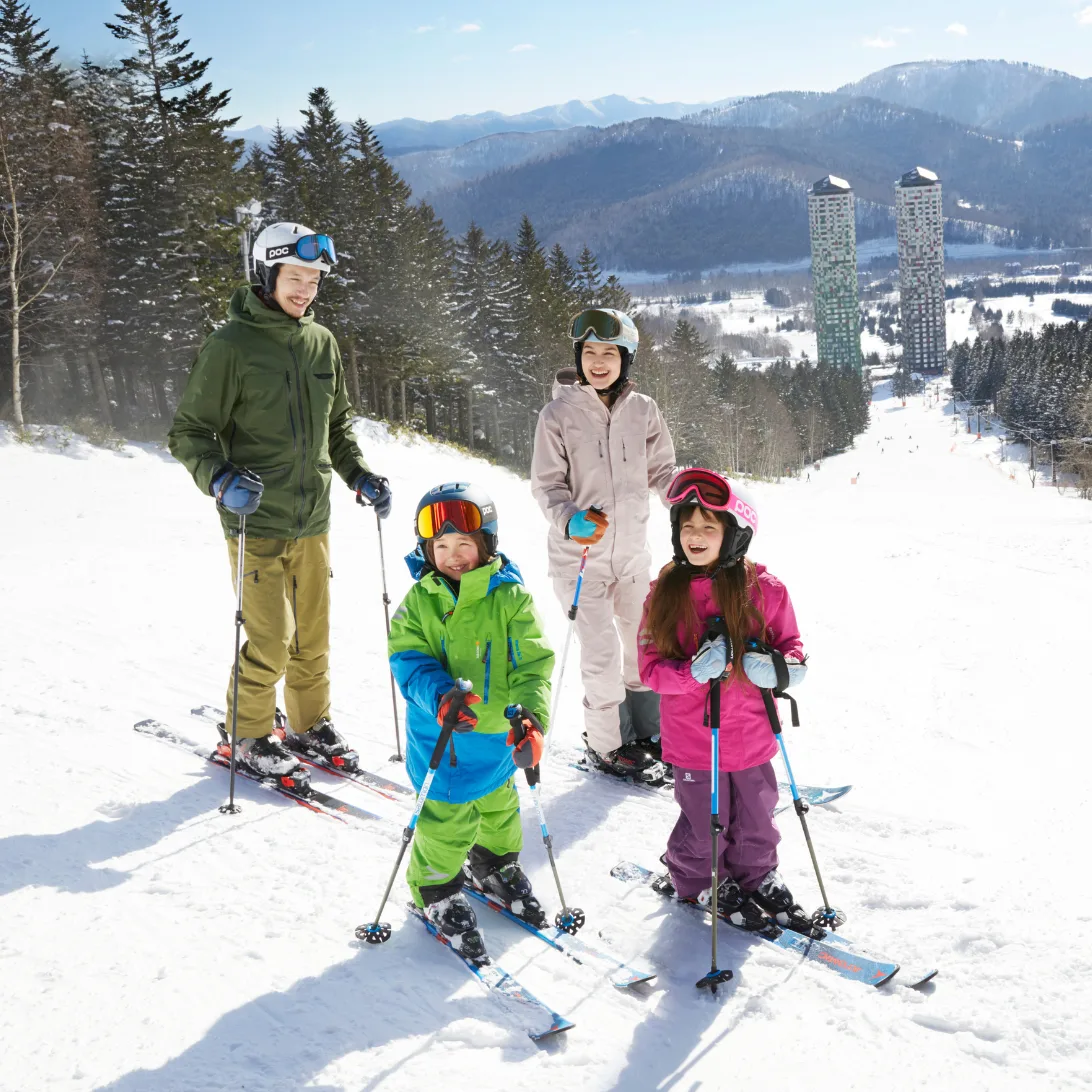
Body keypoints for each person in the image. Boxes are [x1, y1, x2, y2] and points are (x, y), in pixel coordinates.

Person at [168, 222, 392, 783]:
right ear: (266, 275)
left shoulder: (321, 342)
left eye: (314, 280)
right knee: (271, 638)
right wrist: (220, 478)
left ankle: (309, 723)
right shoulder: (231, 346)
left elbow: (336, 426)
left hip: (312, 519)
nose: (306, 291)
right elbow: (190, 432)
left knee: (311, 638)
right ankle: (246, 734)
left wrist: (359, 475)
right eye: (295, 278)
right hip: (255, 519)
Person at [638, 467, 810, 930]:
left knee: (757, 817)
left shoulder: (766, 591)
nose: (695, 536)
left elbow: (792, 645)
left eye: (708, 527)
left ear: (735, 534)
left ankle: (757, 874)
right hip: (695, 740)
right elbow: (650, 670)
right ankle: (697, 878)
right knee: (705, 821)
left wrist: (782, 668)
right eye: (687, 526)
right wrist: (692, 674)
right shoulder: (664, 594)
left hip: (753, 734)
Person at [388, 483, 554, 961]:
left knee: (500, 810)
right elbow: (409, 660)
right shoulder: (421, 601)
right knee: (446, 822)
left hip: (498, 739)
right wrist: (440, 697)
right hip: (444, 740)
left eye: (464, 543)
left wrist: (531, 719)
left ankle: (493, 864)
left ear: (486, 544)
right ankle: (435, 889)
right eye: (441, 546)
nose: (453, 555)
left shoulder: (511, 598)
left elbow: (532, 664)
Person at [531, 307, 676, 783]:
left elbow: (662, 471)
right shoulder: (557, 415)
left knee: (642, 646)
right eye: (589, 352)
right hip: (581, 561)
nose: (597, 362)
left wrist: (685, 495)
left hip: (632, 558)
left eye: (609, 353)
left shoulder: (644, 410)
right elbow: (547, 486)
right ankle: (607, 745)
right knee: (601, 658)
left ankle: (648, 733)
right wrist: (570, 521)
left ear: (626, 358)